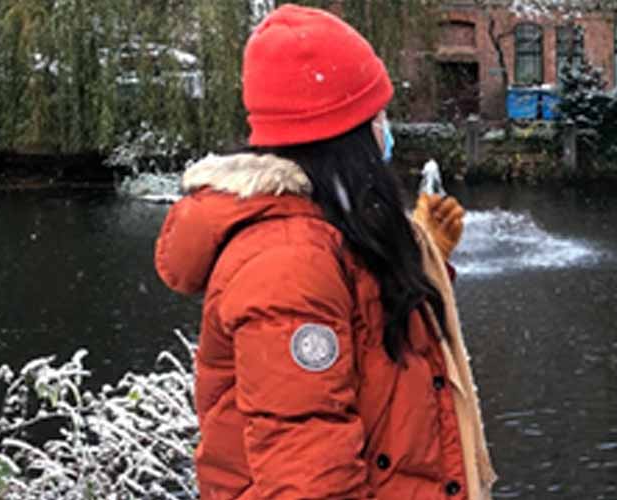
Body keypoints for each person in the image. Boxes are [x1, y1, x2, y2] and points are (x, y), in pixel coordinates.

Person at [153, 5, 495, 499]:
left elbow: (383, 370)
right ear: (347, 137)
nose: (387, 129)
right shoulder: (288, 265)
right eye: (378, 116)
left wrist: (425, 262)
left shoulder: (326, 233)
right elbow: (307, 474)